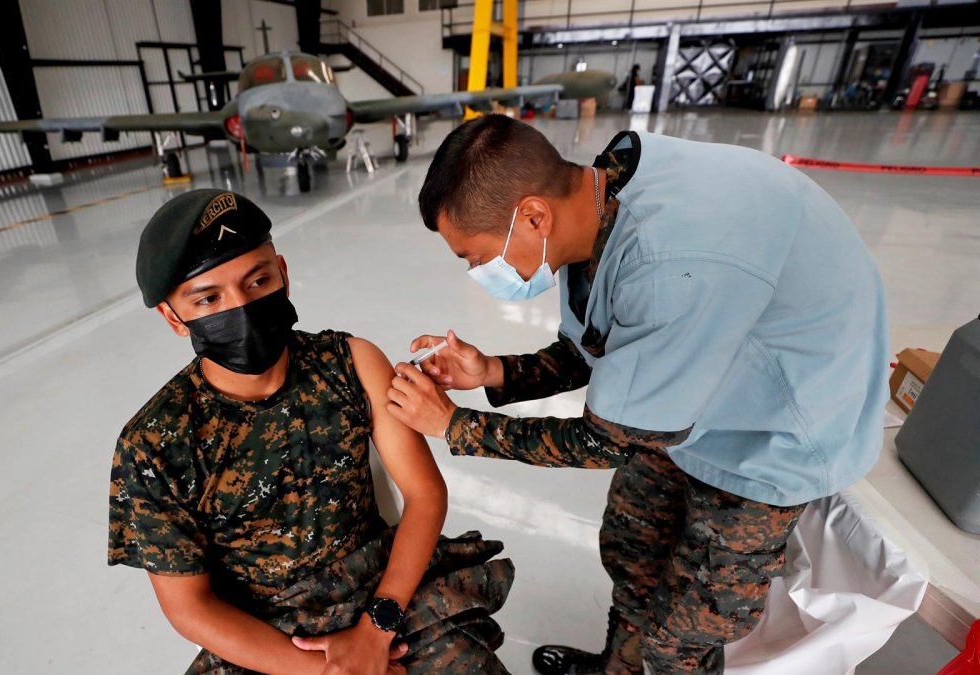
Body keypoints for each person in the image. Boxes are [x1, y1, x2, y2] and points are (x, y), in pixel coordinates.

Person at [386, 116, 888, 675]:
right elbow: (597, 346)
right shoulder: (602, 197)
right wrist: (492, 371)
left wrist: (453, 425)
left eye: (477, 258)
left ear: (533, 216)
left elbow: (606, 440)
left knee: (684, 633)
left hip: (774, 427)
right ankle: (618, 669)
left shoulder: (666, 265)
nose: (479, 272)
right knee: (633, 546)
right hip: (691, 386)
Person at [107, 189, 514, 675]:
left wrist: (376, 628)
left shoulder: (351, 363)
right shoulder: (155, 443)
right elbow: (189, 607)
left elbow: (425, 494)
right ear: (173, 317)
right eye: (209, 298)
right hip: (267, 631)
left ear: (283, 273)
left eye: (258, 280)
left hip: (383, 592)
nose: (242, 306)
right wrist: (329, 671)